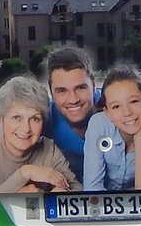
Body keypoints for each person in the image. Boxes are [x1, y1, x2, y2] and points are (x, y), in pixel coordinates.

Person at [0, 76, 80, 193]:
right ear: (1, 119)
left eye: (35, 119)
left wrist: (53, 197)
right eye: (17, 117)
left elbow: (77, 189)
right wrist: (25, 173)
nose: (26, 129)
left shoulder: (48, 148)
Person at [82, 64, 141, 191]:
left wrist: (139, 139)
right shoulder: (99, 124)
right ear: (108, 112)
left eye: (134, 101)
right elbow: (92, 188)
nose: (127, 113)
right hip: (105, 206)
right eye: (116, 107)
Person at [42, 46, 100, 179]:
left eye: (80, 88)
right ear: (51, 93)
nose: (73, 99)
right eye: (62, 91)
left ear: (93, 85)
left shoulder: (116, 106)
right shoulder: (42, 121)